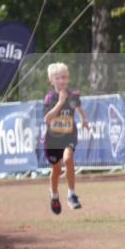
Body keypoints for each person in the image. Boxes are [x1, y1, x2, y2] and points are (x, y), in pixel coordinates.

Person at [42, 62, 88, 214]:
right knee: (56, 170)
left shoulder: (73, 95)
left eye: (64, 77)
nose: (61, 81)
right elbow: (47, 119)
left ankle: (72, 194)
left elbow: (78, 107)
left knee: (68, 160)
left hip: (69, 135)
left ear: (68, 79)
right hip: (52, 139)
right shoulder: (49, 98)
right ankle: (54, 195)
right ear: (51, 80)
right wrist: (61, 102)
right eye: (58, 78)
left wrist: (84, 120)